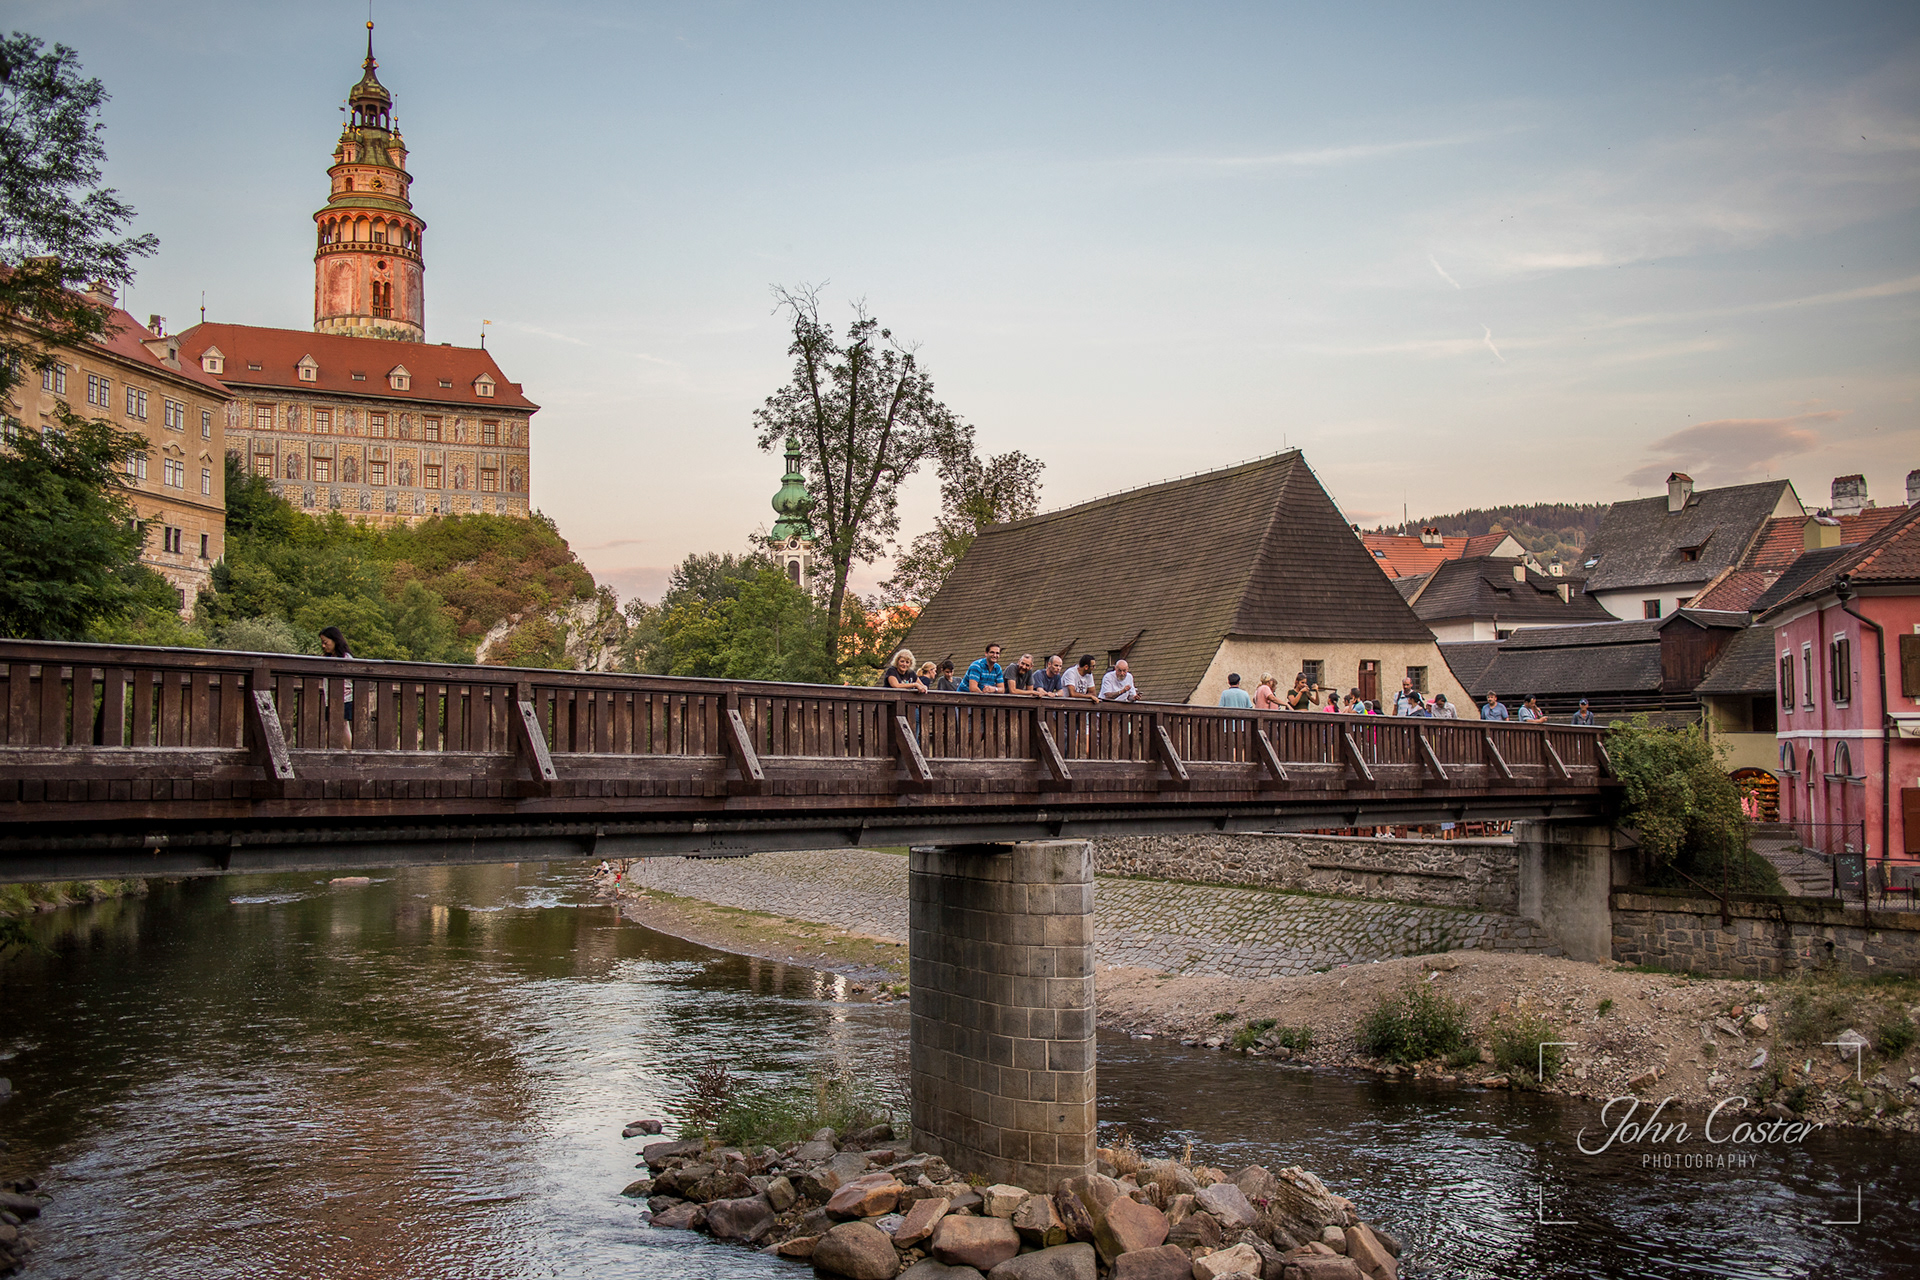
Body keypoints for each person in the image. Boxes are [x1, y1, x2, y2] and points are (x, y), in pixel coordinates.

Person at [319, 625, 354, 748]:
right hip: (330, 698)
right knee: (335, 725)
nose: (323, 646)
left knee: (341, 725)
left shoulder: (346, 658)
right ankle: (341, 750)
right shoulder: (326, 658)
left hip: (344, 697)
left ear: (335, 640)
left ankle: (349, 751)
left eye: (326, 642)